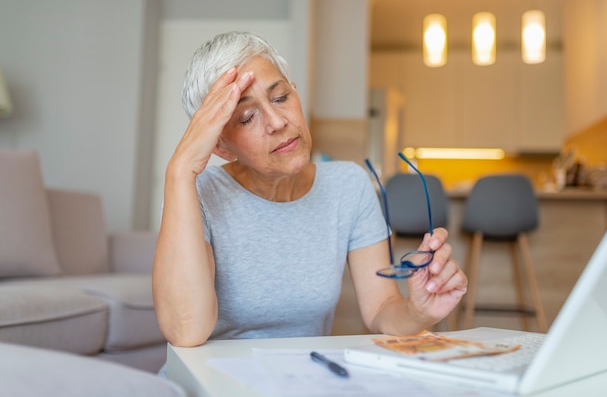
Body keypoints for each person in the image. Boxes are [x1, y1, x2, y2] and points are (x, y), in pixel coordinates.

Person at [152, 31, 467, 348]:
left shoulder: (349, 186)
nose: (277, 121)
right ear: (221, 146)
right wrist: (179, 170)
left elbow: (382, 309)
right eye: (247, 117)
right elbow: (185, 331)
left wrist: (418, 310)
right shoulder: (195, 195)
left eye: (280, 98)